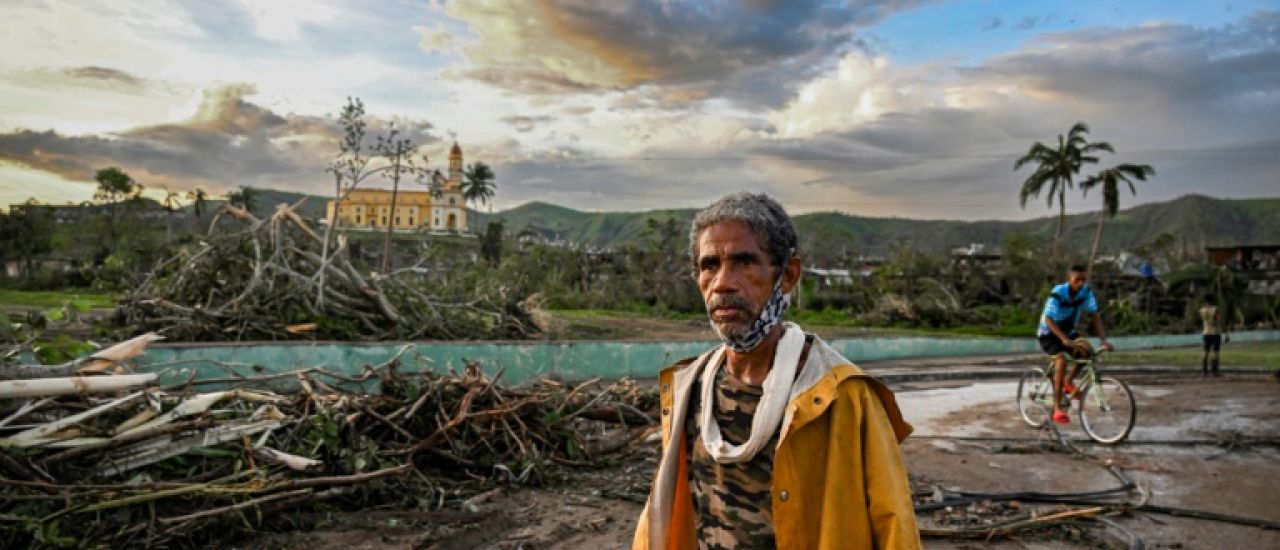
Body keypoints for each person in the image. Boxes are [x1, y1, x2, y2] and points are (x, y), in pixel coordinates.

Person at [631, 193, 920, 550]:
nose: (723, 282)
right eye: (709, 265)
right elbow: (662, 511)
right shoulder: (689, 387)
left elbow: (894, 526)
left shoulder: (840, 395)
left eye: (744, 262)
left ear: (787, 276)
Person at [1037, 265, 1113, 425]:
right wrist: (1063, 339)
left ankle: (1068, 382)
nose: (1080, 284)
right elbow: (1049, 319)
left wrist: (1103, 340)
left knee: (1087, 353)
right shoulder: (1058, 293)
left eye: (1083, 280)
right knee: (1061, 361)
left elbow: (1094, 316)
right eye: (1077, 280)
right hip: (1048, 333)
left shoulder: (1085, 293)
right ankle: (1058, 408)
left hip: (1068, 331)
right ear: (1069, 279)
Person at [1199, 294, 1228, 377]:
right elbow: (1220, 321)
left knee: (1205, 352)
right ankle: (1214, 371)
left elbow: (1203, 321)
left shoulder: (1202, 310)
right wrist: (1226, 332)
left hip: (1206, 332)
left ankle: (1204, 372)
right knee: (1215, 352)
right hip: (1215, 332)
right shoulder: (1215, 309)